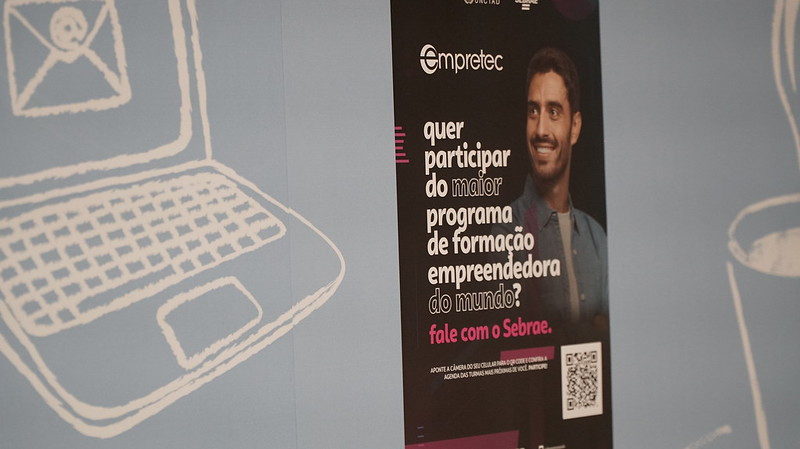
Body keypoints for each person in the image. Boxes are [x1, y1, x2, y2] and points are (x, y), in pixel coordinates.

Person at [496, 47, 608, 332]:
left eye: (554, 112)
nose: (540, 130)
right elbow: (516, 339)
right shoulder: (506, 230)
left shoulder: (597, 237)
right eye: (533, 111)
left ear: (575, 127)